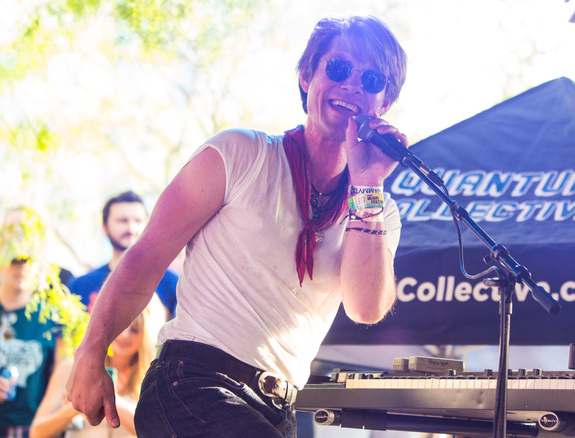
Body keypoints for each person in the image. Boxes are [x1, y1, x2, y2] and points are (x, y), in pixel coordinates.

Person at [67, 15, 408, 438]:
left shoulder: (376, 209)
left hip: (277, 409)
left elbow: (366, 307)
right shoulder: (239, 154)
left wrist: (368, 183)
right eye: (338, 69)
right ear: (306, 76)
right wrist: (90, 352)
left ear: (385, 103)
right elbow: (149, 254)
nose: (353, 85)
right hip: (191, 383)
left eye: (372, 78)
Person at [0, 207, 65, 438]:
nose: (22, 267)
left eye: (28, 260)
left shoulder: (53, 316)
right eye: (16, 260)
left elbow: (63, 374)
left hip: (35, 428)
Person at [29, 296, 166, 438]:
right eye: (122, 326)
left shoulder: (155, 378)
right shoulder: (71, 368)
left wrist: (112, 401)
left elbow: (157, 433)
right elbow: (37, 433)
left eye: (135, 330)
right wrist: (72, 409)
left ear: (147, 335)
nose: (125, 335)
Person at [67, 190, 178, 318]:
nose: (131, 228)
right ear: (105, 227)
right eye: (122, 221)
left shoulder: (173, 285)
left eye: (138, 221)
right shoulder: (80, 286)